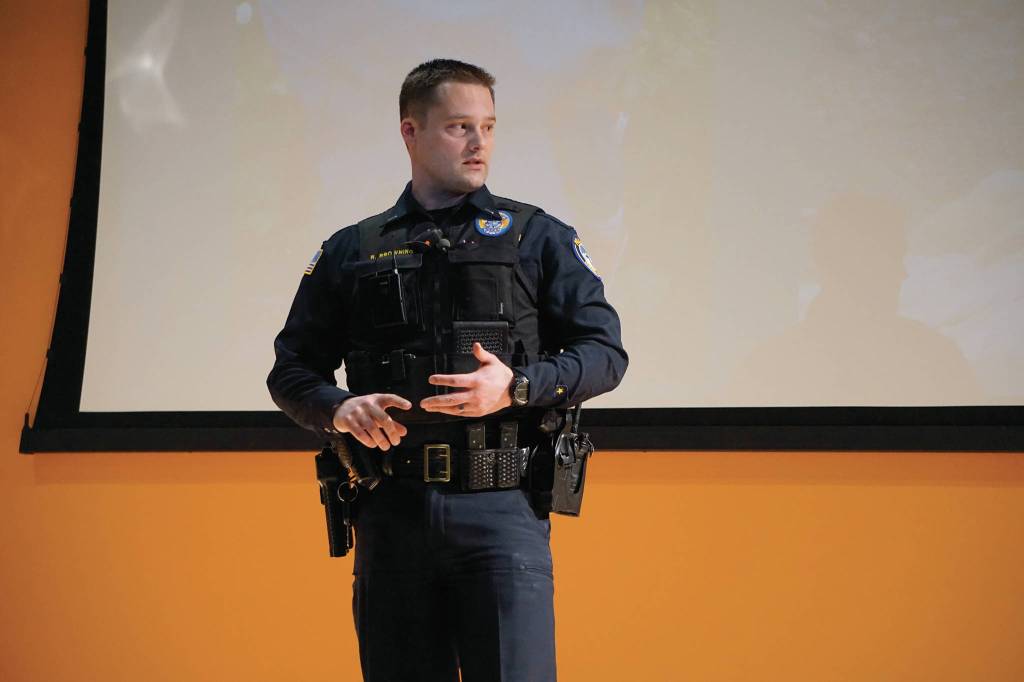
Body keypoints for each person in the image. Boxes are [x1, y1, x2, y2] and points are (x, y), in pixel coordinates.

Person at [267, 59, 627, 682]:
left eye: (488, 125)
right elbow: (292, 369)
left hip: (500, 514)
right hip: (392, 512)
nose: (479, 142)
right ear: (411, 132)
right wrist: (337, 408)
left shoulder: (535, 236)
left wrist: (515, 386)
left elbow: (605, 353)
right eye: (460, 126)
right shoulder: (355, 249)